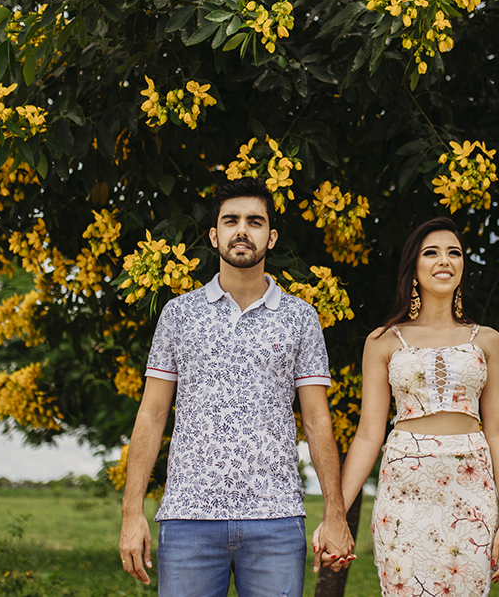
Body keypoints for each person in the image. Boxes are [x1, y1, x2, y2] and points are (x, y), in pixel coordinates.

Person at [119, 177, 354, 597]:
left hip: (276, 518)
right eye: (231, 221)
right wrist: (131, 513)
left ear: (272, 236)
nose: (242, 230)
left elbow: (318, 421)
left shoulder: (301, 318)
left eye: (254, 221)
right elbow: (152, 415)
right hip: (188, 517)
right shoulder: (178, 315)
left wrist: (335, 514)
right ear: (214, 235)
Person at [314, 216, 499, 595]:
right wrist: (335, 514)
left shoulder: (488, 340)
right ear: (414, 267)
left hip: (471, 489)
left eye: (453, 253)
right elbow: (367, 435)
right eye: (432, 253)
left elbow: (498, 430)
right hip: (403, 493)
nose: (444, 260)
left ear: (462, 267)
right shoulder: (382, 341)